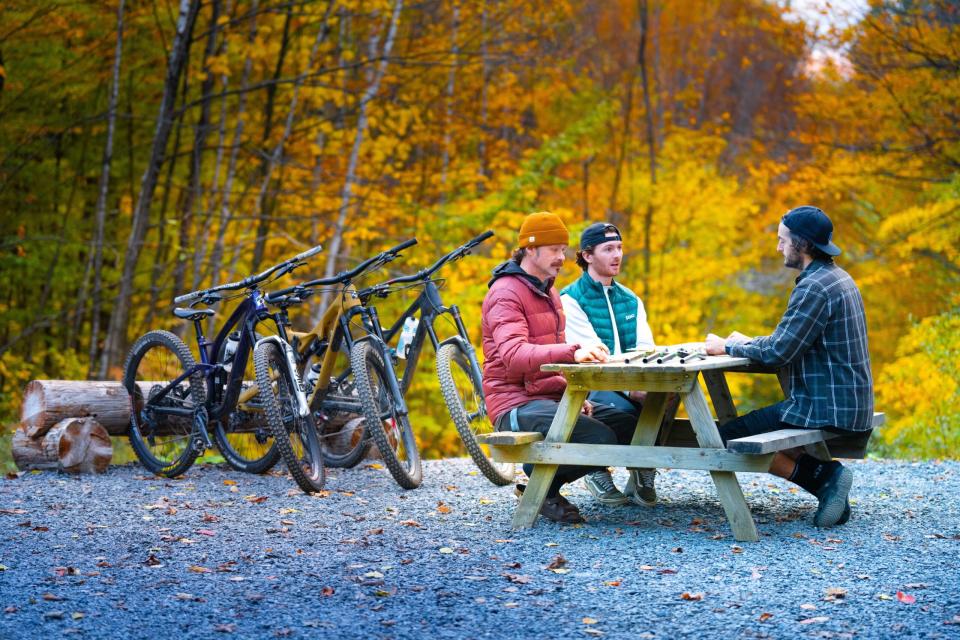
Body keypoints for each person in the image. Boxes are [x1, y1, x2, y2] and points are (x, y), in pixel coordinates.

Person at [705, 205, 873, 528]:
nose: (778, 247)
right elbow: (792, 339)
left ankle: (826, 475)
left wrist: (726, 346)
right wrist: (750, 340)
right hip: (846, 402)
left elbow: (779, 352)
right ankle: (827, 484)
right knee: (758, 429)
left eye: (783, 241)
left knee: (727, 438)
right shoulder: (837, 278)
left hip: (825, 406)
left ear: (804, 245)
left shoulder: (814, 287)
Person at [481, 211, 638, 524]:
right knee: (601, 438)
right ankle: (543, 489)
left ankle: (540, 486)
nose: (562, 257)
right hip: (514, 405)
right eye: (554, 250)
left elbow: (547, 365)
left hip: (547, 398)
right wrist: (574, 352)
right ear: (530, 249)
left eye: (564, 250)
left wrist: (574, 395)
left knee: (630, 427)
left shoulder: (549, 291)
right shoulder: (505, 293)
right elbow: (514, 354)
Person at [559, 222, 659, 507]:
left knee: (666, 397)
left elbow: (645, 349)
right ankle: (596, 469)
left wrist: (644, 385)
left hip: (629, 382)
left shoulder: (631, 299)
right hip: (590, 387)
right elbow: (595, 360)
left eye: (619, 248)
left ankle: (643, 467)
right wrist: (632, 391)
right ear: (587, 255)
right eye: (608, 249)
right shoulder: (571, 300)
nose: (617, 255)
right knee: (627, 408)